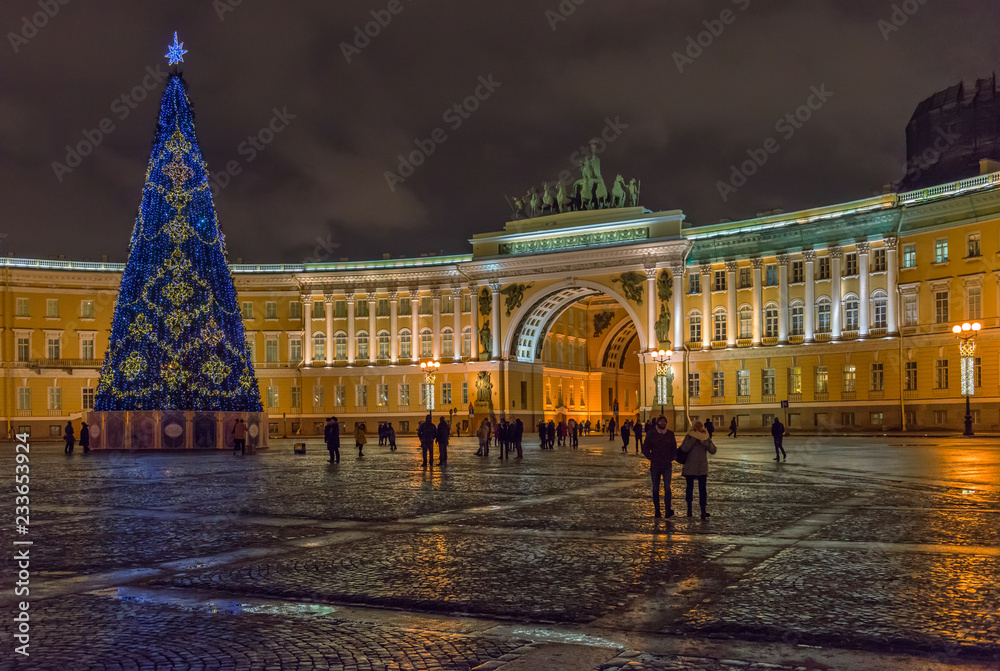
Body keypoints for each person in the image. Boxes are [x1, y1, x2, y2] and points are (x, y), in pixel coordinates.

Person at [640, 415, 677, 518]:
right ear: (657, 423)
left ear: (666, 423)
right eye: (660, 421)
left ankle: (668, 510)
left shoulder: (670, 434)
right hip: (655, 465)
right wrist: (652, 457)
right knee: (656, 488)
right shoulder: (651, 434)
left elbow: (674, 447)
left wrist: (672, 457)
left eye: (664, 421)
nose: (662, 423)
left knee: (667, 488)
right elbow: (645, 448)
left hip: (667, 465)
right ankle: (657, 510)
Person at [679, 421, 717, 518]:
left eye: (701, 426)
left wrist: (704, 443)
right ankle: (689, 510)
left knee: (703, 490)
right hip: (690, 466)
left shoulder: (705, 436)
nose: (699, 427)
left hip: (702, 467)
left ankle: (703, 511)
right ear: (694, 427)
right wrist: (694, 440)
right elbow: (684, 448)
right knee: (689, 489)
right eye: (697, 426)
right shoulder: (690, 435)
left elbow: (713, 450)